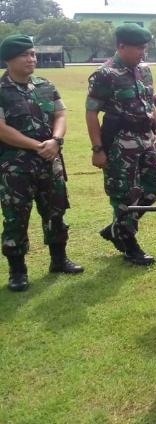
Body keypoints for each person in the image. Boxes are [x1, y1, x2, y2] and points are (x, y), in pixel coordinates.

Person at [0, 34, 83, 291]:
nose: (31, 59)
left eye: (33, 54)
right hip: (16, 166)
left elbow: (60, 113)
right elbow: (1, 129)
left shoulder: (46, 85)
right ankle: (17, 271)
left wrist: (56, 140)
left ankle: (59, 260)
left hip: (50, 160)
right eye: (25, 55)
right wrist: (38, 146)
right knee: (16, 216)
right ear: (8, 59)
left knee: (56, 211)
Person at [86, 23, 156, 266]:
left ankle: (117, 228)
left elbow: (149, 102)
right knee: (124, 195)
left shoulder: (144, 70)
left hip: (145, 140)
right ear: (121, 46)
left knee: (155, 186)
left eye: (144, 47)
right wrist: (98, 149)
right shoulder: (105, 74)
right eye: (138, 48)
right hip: (119, 144)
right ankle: (130, 245)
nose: (142, 52)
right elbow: (91, 113)